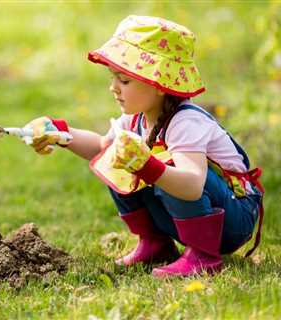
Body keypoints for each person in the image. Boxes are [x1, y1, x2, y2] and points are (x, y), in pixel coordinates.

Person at [22, 15, 264, 277]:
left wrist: (147, 166)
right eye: (113, 77)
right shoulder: (136, 117)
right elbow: (101, 146)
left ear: (160, 84)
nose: (113, 88)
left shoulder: (185, 122)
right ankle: (155, 243)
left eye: (124, 81)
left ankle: (204, 256)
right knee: (115, 154)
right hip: (202, 211)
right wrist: (60, 132)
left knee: (161, 161)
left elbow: (193, 184)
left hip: (232, 218)